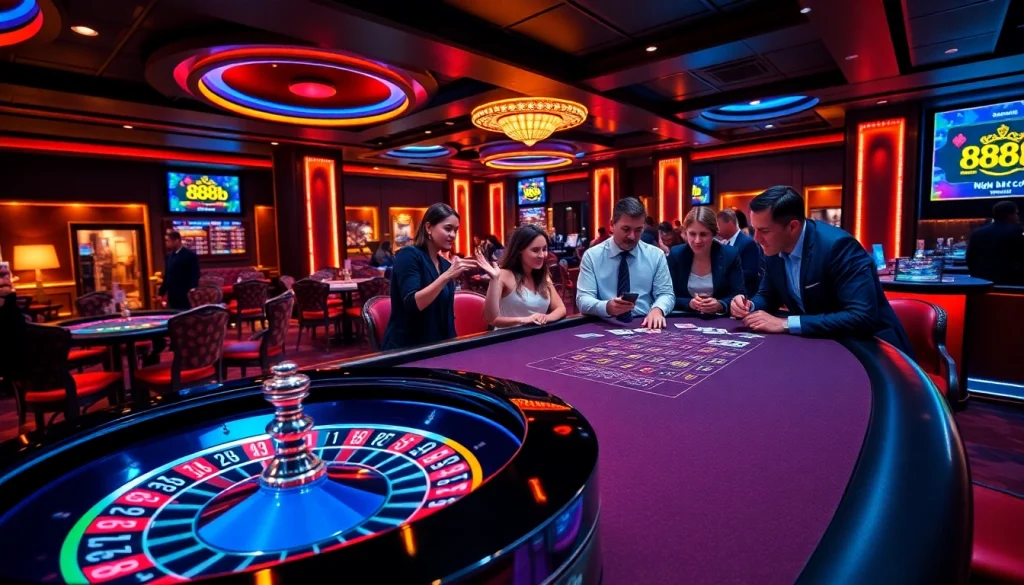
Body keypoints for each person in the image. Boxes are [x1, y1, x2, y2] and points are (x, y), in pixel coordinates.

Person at [729, 186, 912, 355]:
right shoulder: (773, 248)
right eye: (754, 229)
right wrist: (749, 306)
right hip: (824, 343)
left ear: (793, 227)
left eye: (764, 231)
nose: (756, 238)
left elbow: (862, 316)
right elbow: (769, 295)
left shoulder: (838, 247)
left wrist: (786, 323)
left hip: (873, 348)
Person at [381, 203, 477, 350]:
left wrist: (455, 348)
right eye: (448, 229)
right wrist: (446, 276)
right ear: (428, 228)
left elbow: (447, 317)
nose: (453, 235)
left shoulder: (444, 264)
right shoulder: (409, 255)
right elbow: (413, 304)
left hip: (438, 346)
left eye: (455, 230)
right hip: (407, 349)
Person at [576, 197, 674, 329]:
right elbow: (583, 300)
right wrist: (607, 307)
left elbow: (666, 294)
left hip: (644, 324)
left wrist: (658, 309)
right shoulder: (592, 256)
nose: (632, 236)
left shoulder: (656, 255)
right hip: (605, 324)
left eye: (638, 230)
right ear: (612, 225)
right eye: (626, 229)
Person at [477, 225, 566, 329]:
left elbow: (561, 308)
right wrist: (524, 320)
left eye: (544, 249)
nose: (542, 255)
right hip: (508, 339)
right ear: (520, 250)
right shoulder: (503, 275)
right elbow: (491, 319)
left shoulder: (542, 275)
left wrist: (545, 317)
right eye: (535, 250)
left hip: (535, 336)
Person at [668, 207, 745, 316]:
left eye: (703, 234)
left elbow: (739, 293)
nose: (697, 240)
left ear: (713, 234)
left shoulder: (730, 254)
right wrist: (689, 303)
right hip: (685, 317)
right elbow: (667, 295)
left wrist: (720, 304)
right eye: (692, 234)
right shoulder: (676, 254)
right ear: (685, 233)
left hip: (719, 320)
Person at [967, 200, 1024, 284]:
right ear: (1009, 215)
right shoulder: (1016, 231)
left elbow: (970, 258)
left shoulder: (977, 232)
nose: (1017, 217)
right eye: (1016, 213)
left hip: (981, 283)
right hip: (1010, 284)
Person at [717, 209, 763, 297]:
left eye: (718, 225)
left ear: (729, 223)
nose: (717, 229)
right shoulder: (725, 243)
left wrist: (725, 273)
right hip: (728, 295)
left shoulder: (747, 242)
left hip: (745, 296)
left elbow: (751, 272)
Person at [159, 231, 200, 310]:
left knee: (184, 317)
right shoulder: (169, 256)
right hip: (172, 295)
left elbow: (195, 273)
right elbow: (167, 276)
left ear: (177, 241)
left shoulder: (189, 255)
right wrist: (161, 292)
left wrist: (193, 288)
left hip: (184, 294)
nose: (166, 243)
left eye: (168, 241)